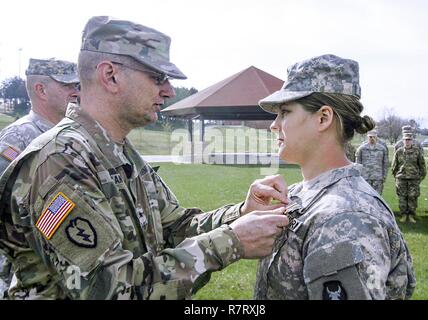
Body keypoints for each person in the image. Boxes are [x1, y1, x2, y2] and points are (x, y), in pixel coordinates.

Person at [0, 16, 289, 300]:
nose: (169, 91)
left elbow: (174, 228)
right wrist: (232, 241)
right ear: (110, 75)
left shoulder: (119, 152)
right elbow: (113, 290)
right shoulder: (59, 161)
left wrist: (240, 214)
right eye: (157, 77)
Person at [253, 54, 415, 300]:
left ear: (323, 118)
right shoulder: (302, 194)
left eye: (284, 112)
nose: (274, 125)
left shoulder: (346, 217)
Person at [0, 58, 79, 299]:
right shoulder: (18, 138)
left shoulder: (70, 135)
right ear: (41, 90)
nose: (76, 91)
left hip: (62, 267)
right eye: (68, 85)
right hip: (24, 274)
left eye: (78, 85)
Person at [392, 133, 427, 223]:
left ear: (412, 141)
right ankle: (403, 214)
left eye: (409, 140)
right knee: (402, 197)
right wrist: (396, 176)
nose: (407, 141)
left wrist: (421, 177)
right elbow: (394, 166)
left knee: (412, 197)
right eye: (405, 140)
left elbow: (422, 165)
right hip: (401, 178)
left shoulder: (417, 151)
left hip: (414, 178)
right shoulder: (399, 151)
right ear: (403, 141)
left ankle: (411, 215)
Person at [355, 130, 388, 195]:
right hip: (365, 178)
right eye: (370, 137)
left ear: (376, 137)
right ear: (367, 137)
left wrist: (384, 176)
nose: (372, 138)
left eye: (374, 137)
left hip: (378, 178)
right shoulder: (361, 148)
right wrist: (358, 176)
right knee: (365, 197)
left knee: (378, 198)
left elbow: (385, 164)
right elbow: (357, 163)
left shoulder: (382, 149)